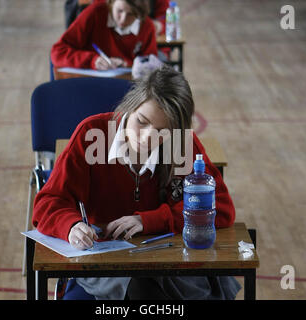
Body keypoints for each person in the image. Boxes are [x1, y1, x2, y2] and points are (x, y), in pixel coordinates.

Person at [32, 66, 241, 300]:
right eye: (142, 122)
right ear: (130, 108)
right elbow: (48, 203)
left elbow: (221, 209)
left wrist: (150, 220)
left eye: (163, 131)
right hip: (106, 263)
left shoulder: (183, 145)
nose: (147, 137)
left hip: (167, 262)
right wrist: (70, 226)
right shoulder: (91, 134)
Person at [52, 0, 158, 70]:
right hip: (89, 84)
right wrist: (92, 60)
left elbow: (151, 66)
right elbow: (57, 52)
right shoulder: (95, 13)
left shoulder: (146, 26)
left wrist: (128, 65)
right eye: (119, 11)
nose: (123, 19)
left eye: (130, 14)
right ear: (111, 3)